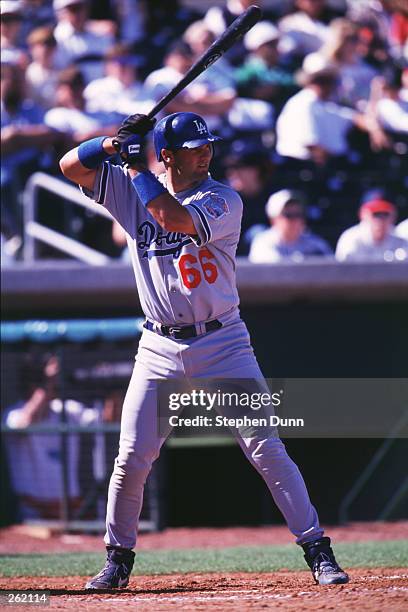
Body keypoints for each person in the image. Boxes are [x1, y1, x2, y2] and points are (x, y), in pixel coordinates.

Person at [59, 110, 349, 589]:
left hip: (223, 341)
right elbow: (71, 165)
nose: (206, 155)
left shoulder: (221, 198)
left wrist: (133, 167)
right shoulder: (136, 188)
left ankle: (318, 550)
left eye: (207, 147)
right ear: (168, 155)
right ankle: (117, 559)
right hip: (157, 345)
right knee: (132, 455)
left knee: (265, 448)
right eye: (194, 150)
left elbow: (169, 216)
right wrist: (112, 146)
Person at [249, 189, 332, 263]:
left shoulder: (315, 244)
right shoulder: (263, 243)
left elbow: (331, 270)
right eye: (288, 215)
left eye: (298, 214)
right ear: (273, 219)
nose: (295, 220)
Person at [335, 198, 408, 261]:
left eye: (385, 214)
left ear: (393, 216)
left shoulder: (400, 239)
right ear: (363, 215)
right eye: (376, 215)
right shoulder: (351, 239)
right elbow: (342, 272)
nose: (380, 220)